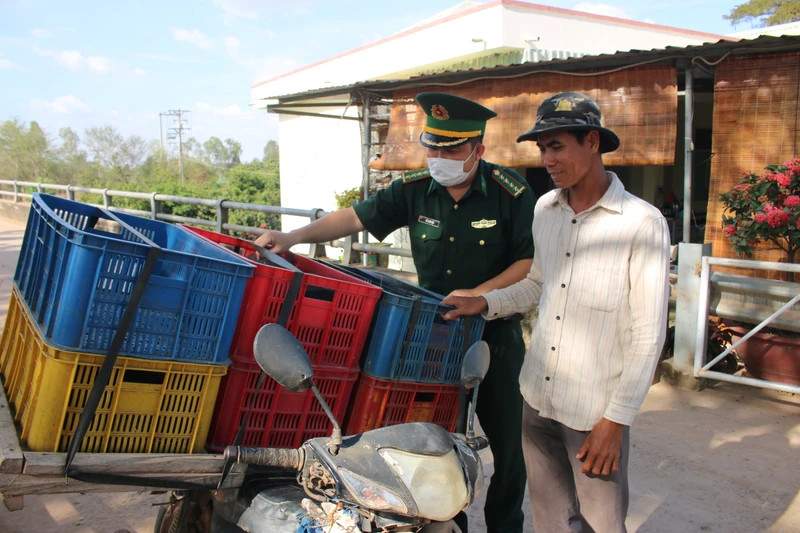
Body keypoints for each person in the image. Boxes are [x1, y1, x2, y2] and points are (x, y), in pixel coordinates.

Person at [254, 92, 536, 533]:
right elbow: (353, 219)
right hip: (434, 337)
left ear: (477, 150)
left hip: (493, 338)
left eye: (451, 149)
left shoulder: (510, 193)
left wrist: (478, 296)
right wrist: (291, 236)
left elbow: (528, 261)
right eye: (433, 146)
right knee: (435, 441)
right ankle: (447, 523)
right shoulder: (413, 189)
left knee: (509, 449)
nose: (439, 157)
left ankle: (505, 527)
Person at [442, 91, 671, 533]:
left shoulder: (641, 222)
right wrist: (484, 302)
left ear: (592, 142)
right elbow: (537, 285)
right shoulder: (546, 208)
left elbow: (648, 334)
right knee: (550, 521)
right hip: (538, 398)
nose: (547, 159)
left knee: (601, 523)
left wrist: (615, 421)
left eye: (557, 146)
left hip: (594, 413)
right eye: (542, 149)